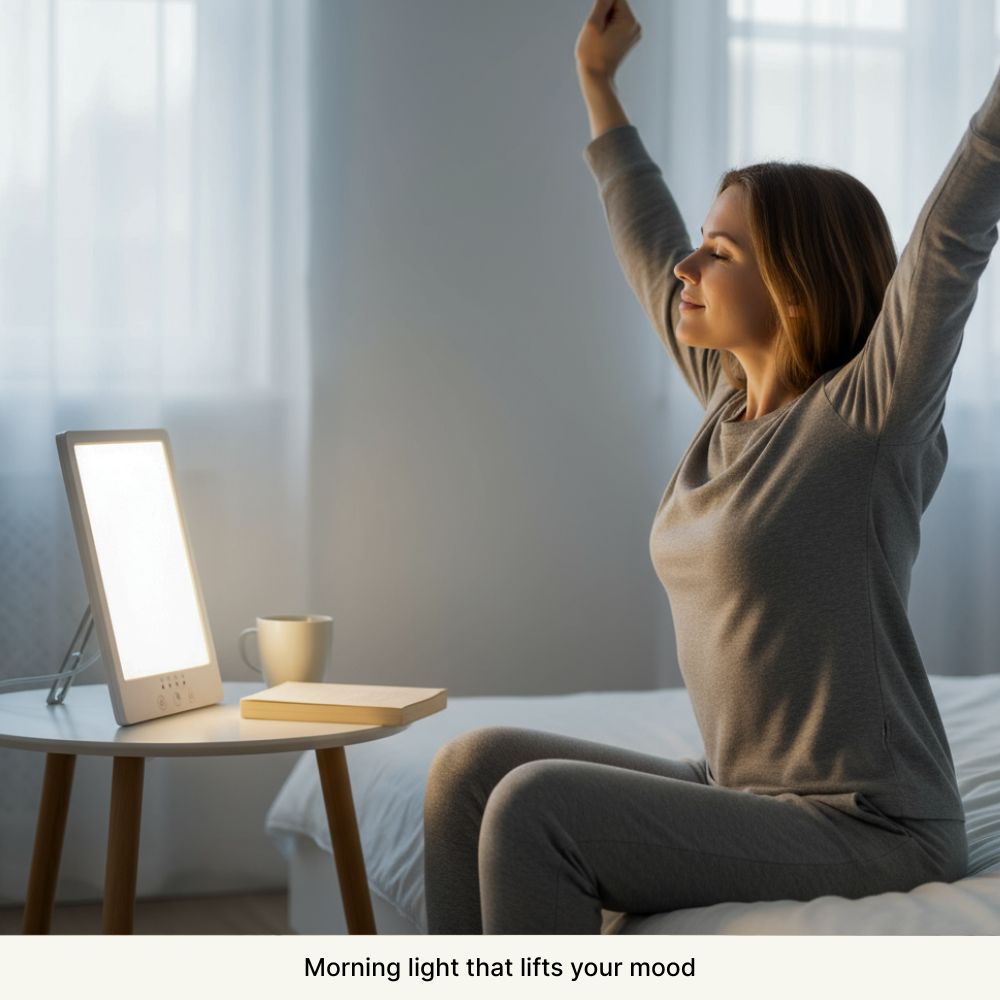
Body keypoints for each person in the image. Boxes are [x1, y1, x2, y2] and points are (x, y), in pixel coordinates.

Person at [422, 0, 996, 934]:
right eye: (701, 242)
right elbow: (647, 241)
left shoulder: (867, 421)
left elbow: (950, 240)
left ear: (794, 284)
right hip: (745, 785)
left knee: (537, 810)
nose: (689, 264)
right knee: (468, 772)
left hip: (872, 821)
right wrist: (597, 85)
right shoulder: (731, 401)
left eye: (720, 252)